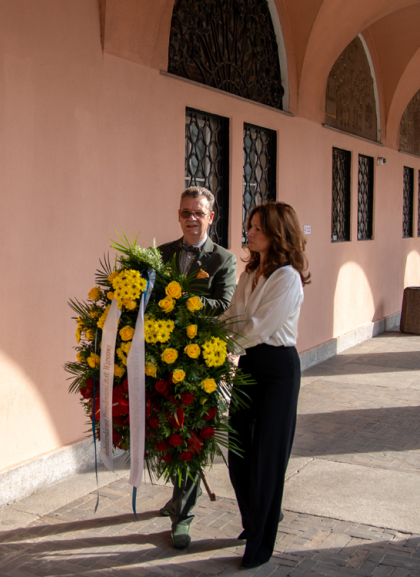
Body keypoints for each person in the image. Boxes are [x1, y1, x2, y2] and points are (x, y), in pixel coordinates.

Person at [225, 201, 310, 569]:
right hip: (249, 364)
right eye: (250, 226)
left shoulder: (288, 277)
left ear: (278, 232)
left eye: (257, 227)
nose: (250, 232)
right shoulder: (251, 272)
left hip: (278, 368)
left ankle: (261, 543)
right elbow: (233, 316)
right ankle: (253, 520)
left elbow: (259, 326)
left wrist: (221, 344)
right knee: (238, 449)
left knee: (268, 458)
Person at [156, 186, 237, 549]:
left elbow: (223, 304)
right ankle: (178, 497)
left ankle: (183, 515)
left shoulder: (223, 259)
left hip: (202, 362)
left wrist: (183, 300)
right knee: (166, 431)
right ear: (178, 215)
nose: (191, 218)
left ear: (210, 217)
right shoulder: (161, 254)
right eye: (185, 212)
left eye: (198, 213)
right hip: (163, 356)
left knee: (188, 436)